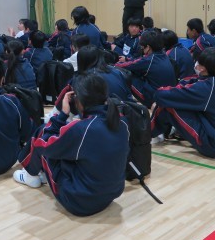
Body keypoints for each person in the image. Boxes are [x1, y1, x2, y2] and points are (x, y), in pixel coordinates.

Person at [14, 73, 129, 217]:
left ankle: (30, 175)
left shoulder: (82, 129)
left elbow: (43, 144)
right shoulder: (122, 122)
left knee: (42, 134)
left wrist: (62, 115)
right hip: (110, 195)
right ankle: (39, 172)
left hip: (80, 203)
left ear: (78, 100)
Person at [151, 47, 215, 159]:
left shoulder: (206, 88)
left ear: (203, 68)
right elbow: (191, 83)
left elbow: (161, 95)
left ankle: (146, 134)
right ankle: (168, 130)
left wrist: (162, 94)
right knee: (180, 102)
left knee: (167, 105)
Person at [115, 31, 177, 107]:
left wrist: (111, 65)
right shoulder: (163, 54)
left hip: (154, 99)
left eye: (142, 47)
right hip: (167, 96)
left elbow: (127, 66)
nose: (142, 49)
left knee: (125, 74)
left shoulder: (150, 60)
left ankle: (126, 103)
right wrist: (127, 59)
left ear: (147, 47)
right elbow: (139, 61)